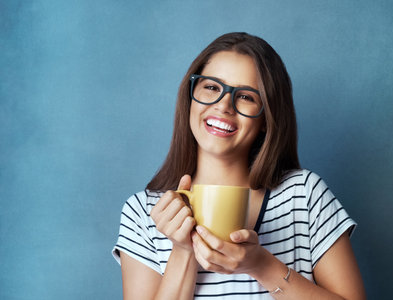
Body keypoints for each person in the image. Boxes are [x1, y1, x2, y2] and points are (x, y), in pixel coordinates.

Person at [112, 32, 366, 299]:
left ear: (267, 118)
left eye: (246, 96)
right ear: (190, 97)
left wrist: (261, 264)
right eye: (211, 87)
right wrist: (183, 250)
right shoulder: (143, 213)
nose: (223, 106)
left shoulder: (304, 195)